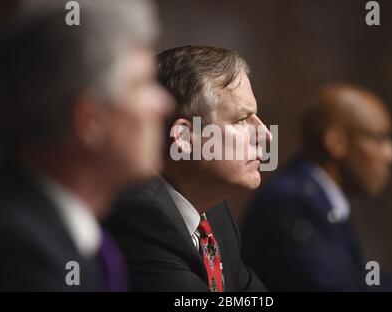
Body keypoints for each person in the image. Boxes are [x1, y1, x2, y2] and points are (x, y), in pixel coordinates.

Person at [0, 0, 172, 291]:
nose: (164, 105)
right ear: (89, 120)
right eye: (143, 84)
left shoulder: (77, 236)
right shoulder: (22, 255)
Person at [241, 82, 392, 291]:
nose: (391, 154)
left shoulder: (320, 198)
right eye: (379, 139)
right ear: (336, 142)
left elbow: (353, 279)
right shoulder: (290, 202)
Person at [105, 46, 270, 292]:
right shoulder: (140, 214)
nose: (266, 134)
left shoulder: (215, 210)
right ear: (183, 137)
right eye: (240, 120)